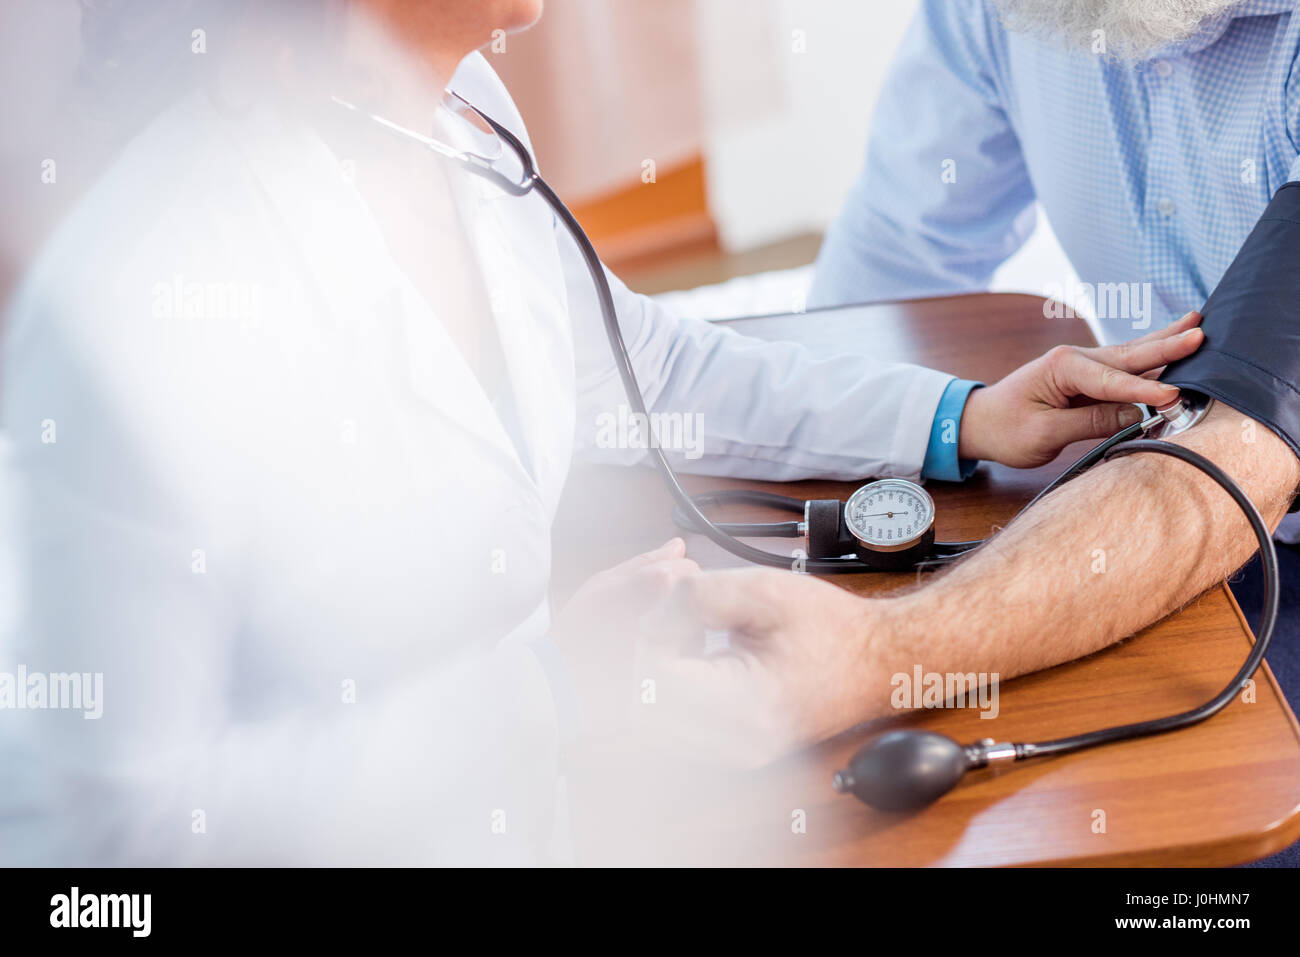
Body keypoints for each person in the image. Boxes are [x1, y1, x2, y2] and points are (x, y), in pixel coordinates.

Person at [0, 0, 1209, 865]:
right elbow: (98, 847)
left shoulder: (456, 108)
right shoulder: (141, 303)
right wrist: (549, 692)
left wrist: (959, 417)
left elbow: (642, 360)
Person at [656, 0, 1300, 865]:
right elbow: (895, 260)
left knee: (1185, 851)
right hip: (1173, 479)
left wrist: (879, 653)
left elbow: (1238, 453)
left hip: (1238, 496)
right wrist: (945, 423)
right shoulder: (1003, 12)